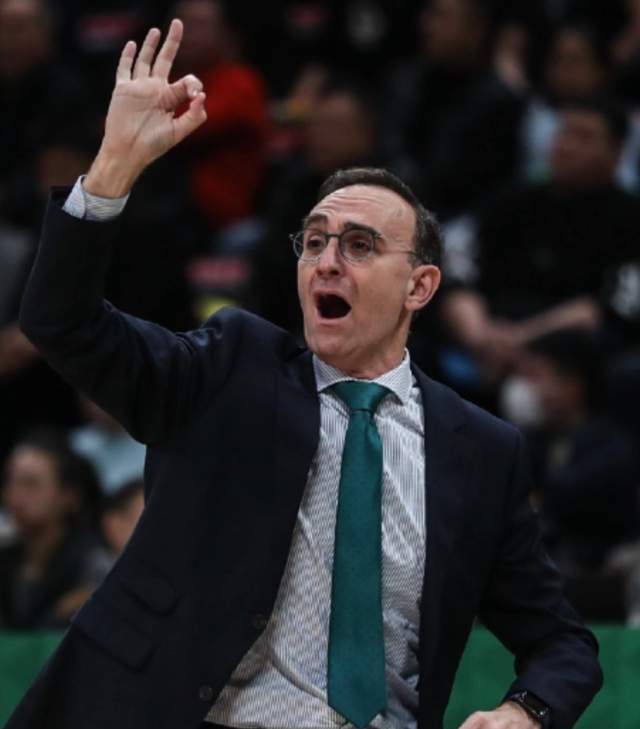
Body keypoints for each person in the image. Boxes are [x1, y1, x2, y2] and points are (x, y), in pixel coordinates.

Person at [7, 19, 601, 729]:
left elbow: (563, 642)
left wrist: (525, 711)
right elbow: (62, 322)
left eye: (359, 245)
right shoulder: (229, 369)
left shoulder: (481, 450)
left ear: (419, 286)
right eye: (314, 241)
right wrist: (111, 170)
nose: (327, 262)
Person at [0, 430, 107, 629]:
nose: (15, 496)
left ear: (69, 496)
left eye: (31, 484)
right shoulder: (5, 556)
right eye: (10, 481)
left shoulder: (93, 565)